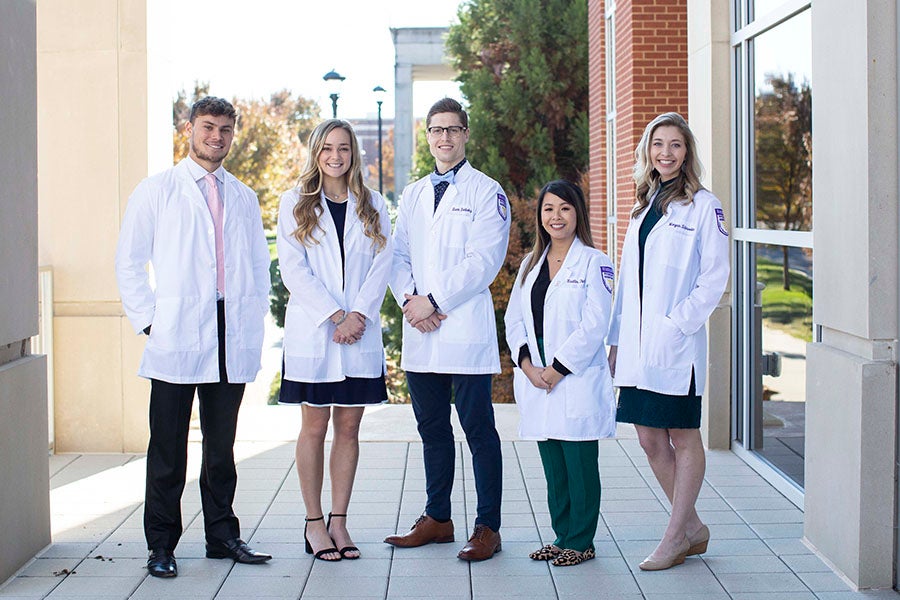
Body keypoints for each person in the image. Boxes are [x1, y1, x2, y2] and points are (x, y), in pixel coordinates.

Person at [115, 96, 273, 578]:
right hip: (177, 335)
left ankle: (222, 536)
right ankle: (161, 545)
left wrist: (252, 322)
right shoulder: (157, 190)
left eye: (225, 129)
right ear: (189, 129)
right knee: (167, 449)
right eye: (208, 127)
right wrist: (149, 321)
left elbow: (257, 269)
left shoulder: (243, 197)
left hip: (230, 333)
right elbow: (128, 261)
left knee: (222, 449)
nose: (217, 137)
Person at [384, 98, 510, 561]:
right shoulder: (414, 193)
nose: (444, 138)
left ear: (465, 134)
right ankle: (437, 518)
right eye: (436, 130)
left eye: (452, 130)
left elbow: (484, 261)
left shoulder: (486, 191)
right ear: (428, 136)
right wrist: (410, 302)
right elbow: (397, 256)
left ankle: (487, 527)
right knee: (432, 428)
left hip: (462, 331)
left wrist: (434, 302)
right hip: (421, 331)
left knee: (479, 430)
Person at [607, 112, 730, 571]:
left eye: (675, 145)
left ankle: (676, 535)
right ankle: (692, 526)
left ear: (687, 152)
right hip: (639, 347)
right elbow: (627, 281)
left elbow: (716, 275)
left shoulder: (705, 206)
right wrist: (617, 338)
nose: (666, 153)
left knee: (681, 433)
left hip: (675, 344)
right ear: (648, 151)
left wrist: (679, 323)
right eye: (658, 144)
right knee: (647, 437)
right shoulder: (642, 206)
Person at [275, 119, 392, 561]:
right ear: (316, 153)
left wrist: (358, 314)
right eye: (327, 148)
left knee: (348, 428)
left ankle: (339, 521)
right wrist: (335, 316)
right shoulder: (296, 203)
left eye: (343, 148)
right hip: (316, 332)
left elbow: (382, 263)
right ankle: (313, 522)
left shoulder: (373, 203)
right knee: (314, 427)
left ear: (354, 155)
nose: (336, 156)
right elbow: (293, 269)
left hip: (357, 333)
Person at [504, 179, 617, 567]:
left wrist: (556, 370)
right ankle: (562, 535)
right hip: (537, 378)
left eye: (565, 208)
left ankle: (581, 540)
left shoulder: (595, 262)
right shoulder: (529, 265)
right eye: (549, 208)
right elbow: (513, 320)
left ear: (578, 213)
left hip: (574, 379)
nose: (556, 216)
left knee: (580, 464)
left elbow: (595, 324)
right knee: (554, 467)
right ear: (540, 216)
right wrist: (528, 366)